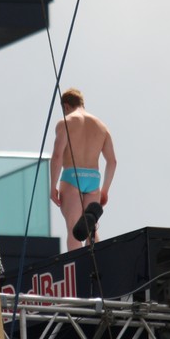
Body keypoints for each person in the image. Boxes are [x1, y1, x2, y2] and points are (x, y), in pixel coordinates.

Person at [49, 88, 117, 251]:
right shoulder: (102, 126)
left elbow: (57, 156)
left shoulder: (65, 122)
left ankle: (78, 266)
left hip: (72, 177)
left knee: (74, 229)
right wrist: (105, 190)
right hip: (94, 179)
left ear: (66, 106)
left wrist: (52, 187)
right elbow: (112, 161)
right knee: (91, 230)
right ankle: (97, 263)